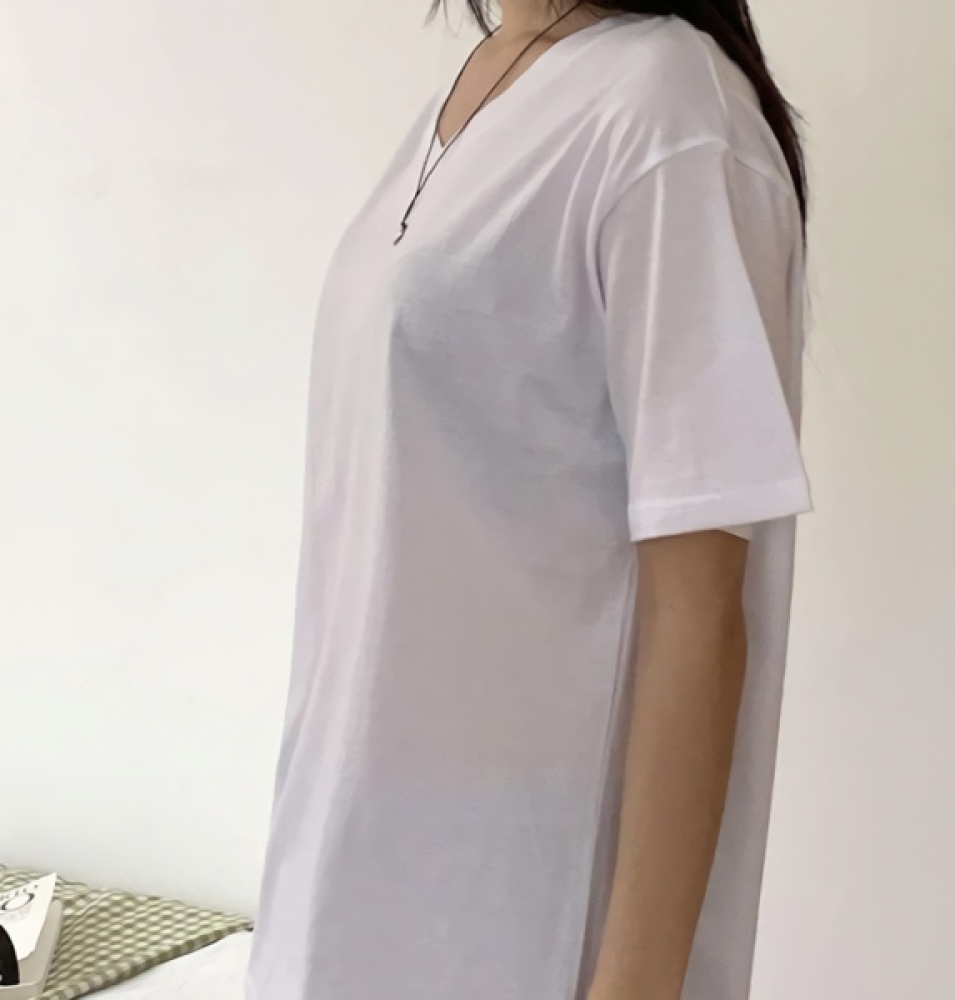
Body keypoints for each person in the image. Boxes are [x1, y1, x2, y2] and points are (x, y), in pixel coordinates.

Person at [246, 2, 812, 999]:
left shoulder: (668, 107)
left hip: (522, 928)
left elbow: (699, 608)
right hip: (345, 895)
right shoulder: (486, 77)